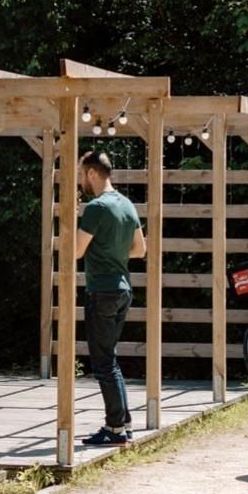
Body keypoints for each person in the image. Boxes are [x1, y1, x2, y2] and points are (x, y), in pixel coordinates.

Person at [75, 151, 147, 446]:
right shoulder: (127, 205)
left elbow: (76, 251)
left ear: (92, 173)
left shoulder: (96, 208)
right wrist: (113, 253)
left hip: (102, 291)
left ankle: (115, 427)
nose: (80, 180)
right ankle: (124, 423)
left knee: (103, 363)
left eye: (81, 174)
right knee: (110, 359)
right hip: (123, 290)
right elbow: (140, 250)